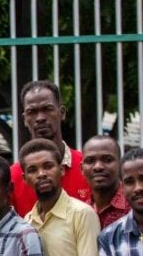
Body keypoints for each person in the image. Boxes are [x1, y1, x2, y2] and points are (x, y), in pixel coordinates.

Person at [21, 138, 100, 256]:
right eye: (33, 170)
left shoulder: (81, 214)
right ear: (24, 179)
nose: (41, 174)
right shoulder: (27, 222)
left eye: (48, 166)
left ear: (62, 169)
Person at [9, 81, 92, 216]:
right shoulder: (13, 176)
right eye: (32, 112)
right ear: (24, 119)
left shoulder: (88, 166)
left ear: (62, 112)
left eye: (47, 109)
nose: (40, 118)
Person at [82, 135, 128, 228]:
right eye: (90, 161)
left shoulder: (136, 207)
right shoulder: (80, 212)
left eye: (107, 160)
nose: (98, 167)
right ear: (81, 169)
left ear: (121, 165)